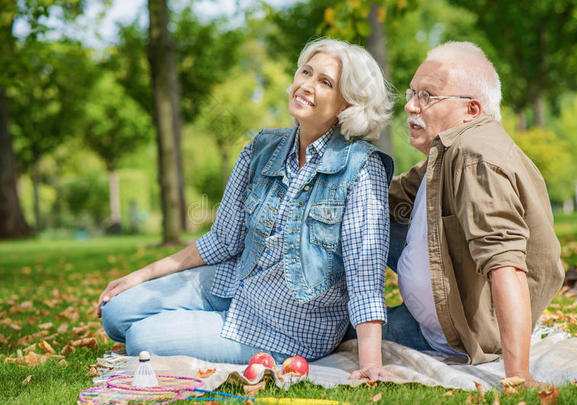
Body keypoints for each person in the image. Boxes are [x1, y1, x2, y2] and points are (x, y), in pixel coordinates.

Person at [98, 38, 395, 380]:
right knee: (116, 310)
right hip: (237, 284)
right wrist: (140, 275)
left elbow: (365, 275)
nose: (306, 86)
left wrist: (371, 365)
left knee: (142, 338)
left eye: (325, 82)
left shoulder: (360, 167)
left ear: (349, 103)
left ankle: (195, 331)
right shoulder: (262, 148)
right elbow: (223, 240)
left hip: (286, 326)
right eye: (306, 72)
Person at [384, 41, 564, 385]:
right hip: (443, 304)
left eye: (427, 96)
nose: (409, 106)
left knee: (330, 329)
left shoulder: (475, 157)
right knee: (354, 210)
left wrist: (518, 377)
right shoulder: (448, 152)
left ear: (471, 109)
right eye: (412, 93)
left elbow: (505, 265)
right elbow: (383, 199)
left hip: (459, 332)